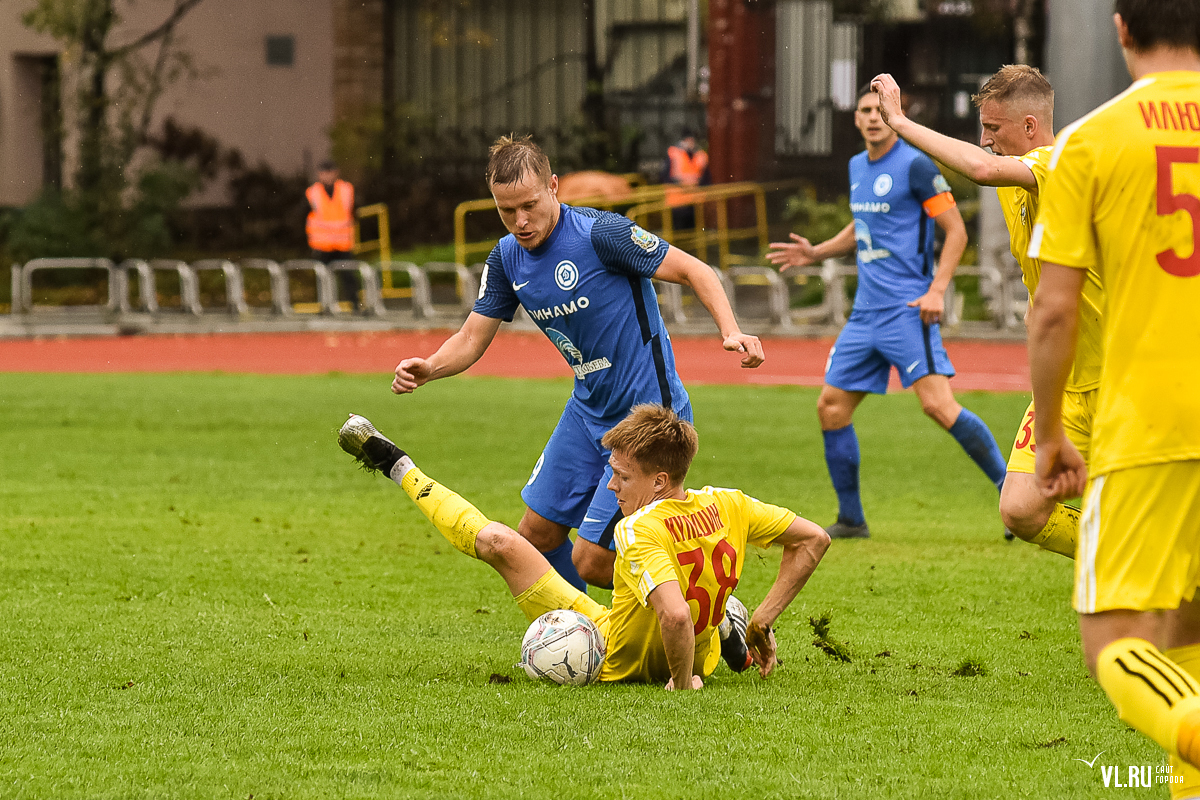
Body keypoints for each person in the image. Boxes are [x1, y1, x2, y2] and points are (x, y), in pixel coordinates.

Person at [392, 135, 764, 591]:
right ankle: (585, 634)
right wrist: (430, 367)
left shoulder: (601, 234)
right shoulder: (507, 258)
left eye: (529, 205)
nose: (520, 222)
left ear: (553, 186)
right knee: (537, 536)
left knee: (591, 560)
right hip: (587, 411)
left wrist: (731, 330)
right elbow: (471, 337)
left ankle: (708, 603)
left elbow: (694, 270)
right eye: (506, 211)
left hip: (647, 416)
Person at [337, 406, 830, 689]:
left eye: (621, 476)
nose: (612, 488)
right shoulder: (730, 503)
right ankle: (395, 462)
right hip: (657, 633)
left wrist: (683, 685)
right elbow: (814, 539)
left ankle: (728, 624)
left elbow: (676, 618)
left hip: (616, 651)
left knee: (495, 541)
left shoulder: (637, 530)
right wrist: (767, 618)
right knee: (497, 539)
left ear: (659, 480)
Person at [1026, 0, 1200, 789]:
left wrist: (1055, 432)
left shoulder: (1089, 143)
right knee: (1189, 633)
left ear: (1123, 27)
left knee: (1117, 640)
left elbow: (1054, 309)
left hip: (1150, 424)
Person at [869, 66, 1102, 559]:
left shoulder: (1059, 162)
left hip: (1121, 380)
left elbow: (981, 168)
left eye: (993, 129)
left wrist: (901, 123)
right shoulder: (1020, 189)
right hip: (1063, 381)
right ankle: (1127, 552)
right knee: (1021, 509)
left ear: (1031, 128)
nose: (985, 140)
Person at [766, 88, 1008, 540]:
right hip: (865, 315)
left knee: (938, 407)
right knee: (831, 408)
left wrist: (937, 290)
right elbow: (863, 224)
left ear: (894, 116)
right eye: (865, 111)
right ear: (855, 120)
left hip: (908, 310)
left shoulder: (916, 164)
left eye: (881, 110)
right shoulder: (858, 166)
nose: (874, 117)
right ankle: (852, 519)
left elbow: (955, 232)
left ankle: (1011, 492)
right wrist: (816, 251)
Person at [306, 160, 360, 311]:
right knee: (323, 278)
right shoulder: (313, 192)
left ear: (336, 173)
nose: (328, 176)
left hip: (343, 244)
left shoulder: (346, 189)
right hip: (321, 244)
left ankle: (355, 305)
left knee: (348, 276)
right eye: (324, 172)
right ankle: (325, 307)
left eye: (330, 172)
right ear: (319, 174)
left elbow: (355, 212)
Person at [661, 129, 710, 231]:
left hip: (695, 202)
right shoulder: (674, 154)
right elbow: (665, 176)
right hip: (677, 202)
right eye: (688, 140)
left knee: (693, 233)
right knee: (679, 232)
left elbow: (706, 178)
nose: (690, 143)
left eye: (692, 140)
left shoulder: (700, 156)